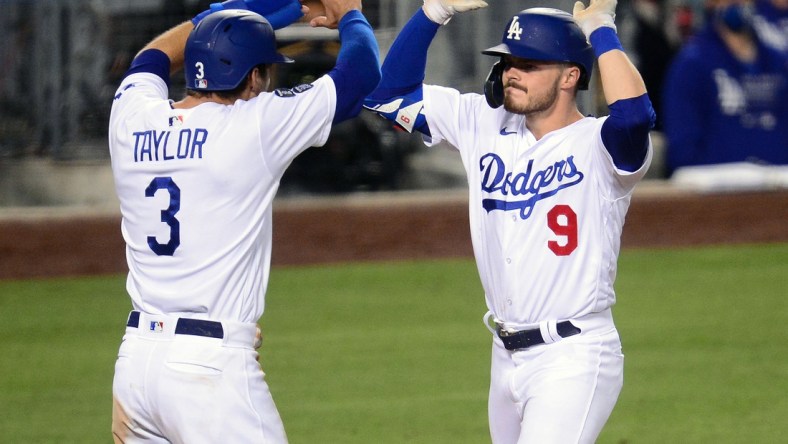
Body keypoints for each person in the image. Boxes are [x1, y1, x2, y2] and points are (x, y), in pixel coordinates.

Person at [364, 0, 654, 442]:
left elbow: (634, 114)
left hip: (573, 355)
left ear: (570, 76)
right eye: (507, 61)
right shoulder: (480, 120)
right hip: (505, 353)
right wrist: (433, 12)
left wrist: (600, 28)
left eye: (529, 63)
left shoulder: (600, 146)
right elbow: (386, 97)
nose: (511, 72)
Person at [107, 0, 380, 441]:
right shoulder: (251, 126)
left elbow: (153, 57)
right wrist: (349, 12)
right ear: (253, 77)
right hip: (208, 373)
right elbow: (359, 79)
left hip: (136, 363)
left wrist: (276, 9)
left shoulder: (131, 116)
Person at [662, 0, 788, 176]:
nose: (735, 3)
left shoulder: (778, 64)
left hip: (778, 189)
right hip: (716, 193)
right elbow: (682, 150)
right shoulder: (692, 64)